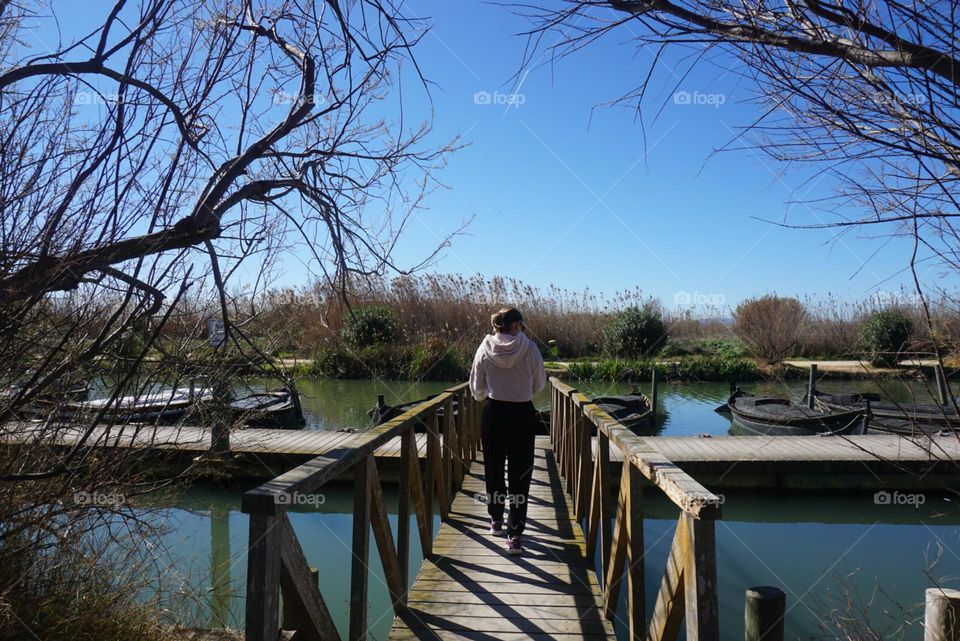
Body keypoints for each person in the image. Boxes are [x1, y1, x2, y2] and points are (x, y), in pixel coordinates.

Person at [469, 306, 546, 556]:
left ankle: (496, 520)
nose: (523, 328)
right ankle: (514, 536)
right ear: (515, 325)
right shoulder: (530, 348)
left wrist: (493, 392)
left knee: (493, 470)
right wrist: (521, 393)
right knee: (520, 475)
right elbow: (539, 384)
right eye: (521, 325)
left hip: (494, 414)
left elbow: (476, 389)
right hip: (522, 414)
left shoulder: (484, 348)